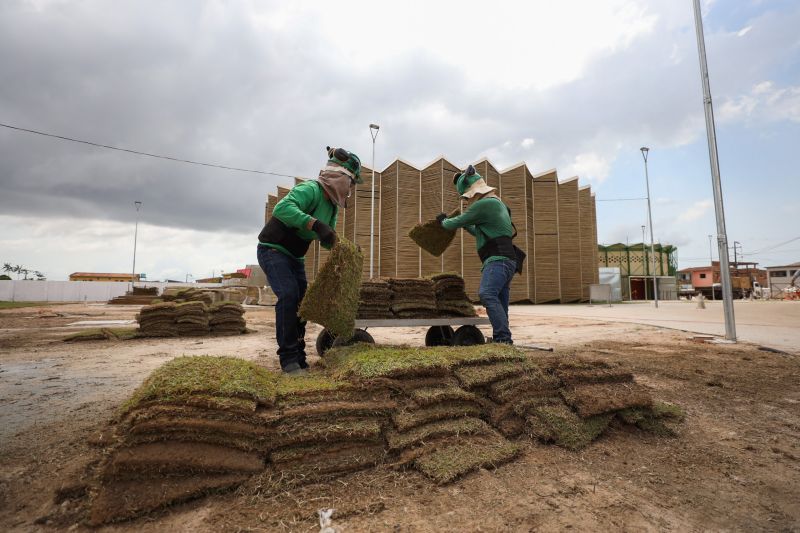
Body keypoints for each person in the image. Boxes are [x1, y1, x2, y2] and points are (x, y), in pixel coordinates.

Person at [257, 146, 362, 375]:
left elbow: (327, 237)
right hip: (273, 250)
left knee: (302, 305)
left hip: (295, 257)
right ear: (341, 177)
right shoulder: (311, 189)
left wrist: (344, 246)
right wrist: (314, 224)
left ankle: (299, 355)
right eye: (352, 183)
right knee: (288, 294)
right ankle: (288, 360)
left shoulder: (332, 206)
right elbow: (282, 208)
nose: (351, 189)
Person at [437, 165, 520, 344]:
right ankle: (503, 338)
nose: (467, 202)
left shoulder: (484, 204)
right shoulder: (497, 203)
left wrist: (443, 221)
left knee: (487, 293)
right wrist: (464, 224)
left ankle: (503, 338)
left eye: (466, 197)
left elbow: (455, 222)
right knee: (500, 299)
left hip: (498, 260)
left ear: (472, 192)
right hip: (508, 260)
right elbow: (480, 232)